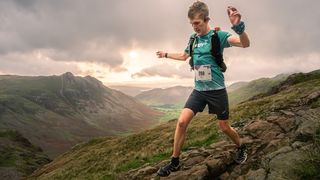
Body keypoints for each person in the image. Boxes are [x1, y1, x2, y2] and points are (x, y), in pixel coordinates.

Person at [155, 1, 250, 177]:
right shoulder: (193, 39)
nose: (194, 27)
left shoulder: (218, 36)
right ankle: (175, 161)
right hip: (199, 91)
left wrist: (239, 27)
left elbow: (244, 44)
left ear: (207, 19)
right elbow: (184, 56)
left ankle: (242, 147)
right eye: (192, 24)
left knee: (224, 127)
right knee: (182, 122)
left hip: (217, 91)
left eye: (197, 23)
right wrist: (165, 54)